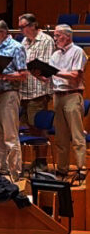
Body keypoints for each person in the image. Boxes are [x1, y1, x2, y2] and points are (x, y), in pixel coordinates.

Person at [0, 19, 28, 178]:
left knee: (10, 136)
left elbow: (23, 75)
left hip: (9, 93)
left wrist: (2, 75)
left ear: (4, 33)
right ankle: (1, 171)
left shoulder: (17, 47)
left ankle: (14, 173)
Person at [46, 24, 87, 177]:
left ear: (68, 36)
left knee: (77, 135)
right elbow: (49, 76)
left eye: (58, 36)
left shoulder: (78, 52)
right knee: (60, 136)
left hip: (72, 95)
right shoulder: (55, 55)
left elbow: (75, 75)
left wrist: (55, 72)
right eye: (55, 36)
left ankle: (81, 168)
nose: (55, 38)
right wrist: (39, 73)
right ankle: (62, 168)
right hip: (58, 96)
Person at [18, 12, 55, 133]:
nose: (21, 30)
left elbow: (43, 66)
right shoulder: (24, 41)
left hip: (38, 91)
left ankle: (42, 152)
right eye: (20, 27)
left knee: (37, 127)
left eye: (23, 27)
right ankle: (31, 153)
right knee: (25, 127)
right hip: (23, 91)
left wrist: (27, 66)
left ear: (33, 25)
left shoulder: (46, 40)